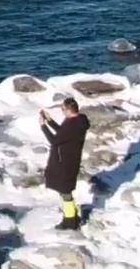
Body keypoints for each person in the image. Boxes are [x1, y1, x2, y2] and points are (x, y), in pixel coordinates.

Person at [40, 97, 91, 230]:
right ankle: (74, 215)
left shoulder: (71, 124)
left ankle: (70, 222)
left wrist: (43, 126)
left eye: (63, 109)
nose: (62, 111)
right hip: (70, 160)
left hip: (65, 162)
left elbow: (54, 140)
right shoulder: (79, 120)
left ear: (69, 110)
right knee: (65, 190)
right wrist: (50, 122)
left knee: (65, 191)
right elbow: (63, 134)